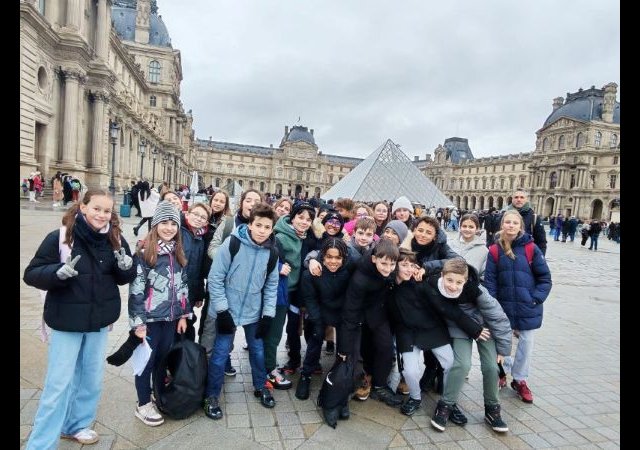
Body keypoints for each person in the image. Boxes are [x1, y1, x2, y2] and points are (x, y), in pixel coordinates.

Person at [23, 190, 137, 448]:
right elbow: (31, 273)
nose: (102, 215)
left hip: (99, 320)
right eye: (96, 208)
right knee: (59, 384)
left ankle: (76, 424)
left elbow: (123, 277)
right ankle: (41, 443)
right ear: (83, 207)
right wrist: (57, 272)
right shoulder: (61, 237)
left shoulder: (116, 239)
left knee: (91, 379)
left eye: (107, 211)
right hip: (67, 320)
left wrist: (127, 267)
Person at [203, 203, 280, 420]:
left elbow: (271, 286)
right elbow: (216, 278)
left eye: (267, 227)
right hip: (228, 308)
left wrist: (268, 315)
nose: (262, 231)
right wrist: (222, 310)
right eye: (259, 225)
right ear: (250, 224)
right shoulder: (233, 243)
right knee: (220, 354)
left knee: (258, 351)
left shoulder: (272, 252)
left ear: (272, 229)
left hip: (253, 310)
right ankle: (211, 395)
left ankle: (260, 386)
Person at [387, 253, 486, 419]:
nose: (409, 269)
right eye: (404, 265)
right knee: (410, 371)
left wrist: (474, 329)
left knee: (451, 364)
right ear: (395, 266)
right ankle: (415, 398)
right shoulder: (388, 285)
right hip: (407, 333)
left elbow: (446, 308)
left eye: (412, 265)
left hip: (432, 329)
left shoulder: (421, 283)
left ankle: (449, 402)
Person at [427, 258, 512, 433]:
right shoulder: (435, 285)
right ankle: (445, 405)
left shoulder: (477, 291)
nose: (453, 286)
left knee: (491, 366)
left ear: (465, 281)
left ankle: (492, 409)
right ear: (442, 276)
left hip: (485, 328)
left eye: (459, 282)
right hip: (459, 328)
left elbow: (498, 317)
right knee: (462, 364)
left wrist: (504, 349)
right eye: (449, 280)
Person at [128, 201, 191, 426]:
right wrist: (138, 323)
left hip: (170, 318)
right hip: (150, 319)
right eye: (164, 222)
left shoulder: (177, 253)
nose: (169, 228)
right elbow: (136, 292)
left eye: (173, 223)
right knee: (146, 362)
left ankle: (157, 394)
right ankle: (143, 403)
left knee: (161, 360)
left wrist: (183, 314)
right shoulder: (144, 255)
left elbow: (183, 286)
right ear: (155, 225)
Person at [484, 210, 552, 404]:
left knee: (525, 345)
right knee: (501, 343)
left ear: (521, 226)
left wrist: (535, 299)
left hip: (527, 306)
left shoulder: (531, 248)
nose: (511, 225)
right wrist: (494, 305)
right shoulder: (494, 250)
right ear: (502, 225)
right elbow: (490, 281)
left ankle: (520, 379)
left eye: (515, 222)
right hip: (503, 306)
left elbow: (545, 278)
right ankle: (501, 373)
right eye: (508, 222)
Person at [339, 239, 403, 407]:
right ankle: (359, 381)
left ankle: (380, 386)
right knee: (357, 350)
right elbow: (350, 311)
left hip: (378, 312)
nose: (388, 269)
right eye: (384, 264)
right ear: (374, 259)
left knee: (386, 346)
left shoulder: (389, 268)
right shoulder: (360, 278)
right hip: (358, 314)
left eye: (392, 264)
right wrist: (344, 346)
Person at [295, 238, 354, 401]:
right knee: (315, 338)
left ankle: (339, 375)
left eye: (338, 258)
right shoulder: (311, 274)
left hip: (342, 312)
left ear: (344, 258)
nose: (333, 261)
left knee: (344, 346)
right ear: (323, 256)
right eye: (329, 257)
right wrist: (317, 320)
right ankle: (306, 374)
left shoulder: (350, 271)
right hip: (320, 310)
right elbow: (310, 298)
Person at [180, 202, 211, 341]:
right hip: (174, 290)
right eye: (196, 214)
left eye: (203, 217)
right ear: (187, 214)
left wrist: (199, 294)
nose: (199, 218)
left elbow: (198, 269)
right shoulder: (178, 231)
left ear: (206, 222)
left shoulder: (201, 238)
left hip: (190, 291)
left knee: (187, 325)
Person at [502, 189, 547, 255]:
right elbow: (497, 235)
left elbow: (541, 242)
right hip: (505, 253)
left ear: (526, 199)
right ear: (512, 199)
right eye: (516, 197)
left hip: (526, 255)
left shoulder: (534, 217)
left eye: (522, 197)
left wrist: (539, 258)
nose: (519, 199)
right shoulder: (503, 215)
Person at [448, 213, 488, 279]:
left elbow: (484, 274)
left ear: (477, 229)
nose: (467, 229)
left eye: (471, 227)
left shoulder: (484, 251)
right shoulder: (449, 245)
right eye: (464, 226)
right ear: (460, 227)